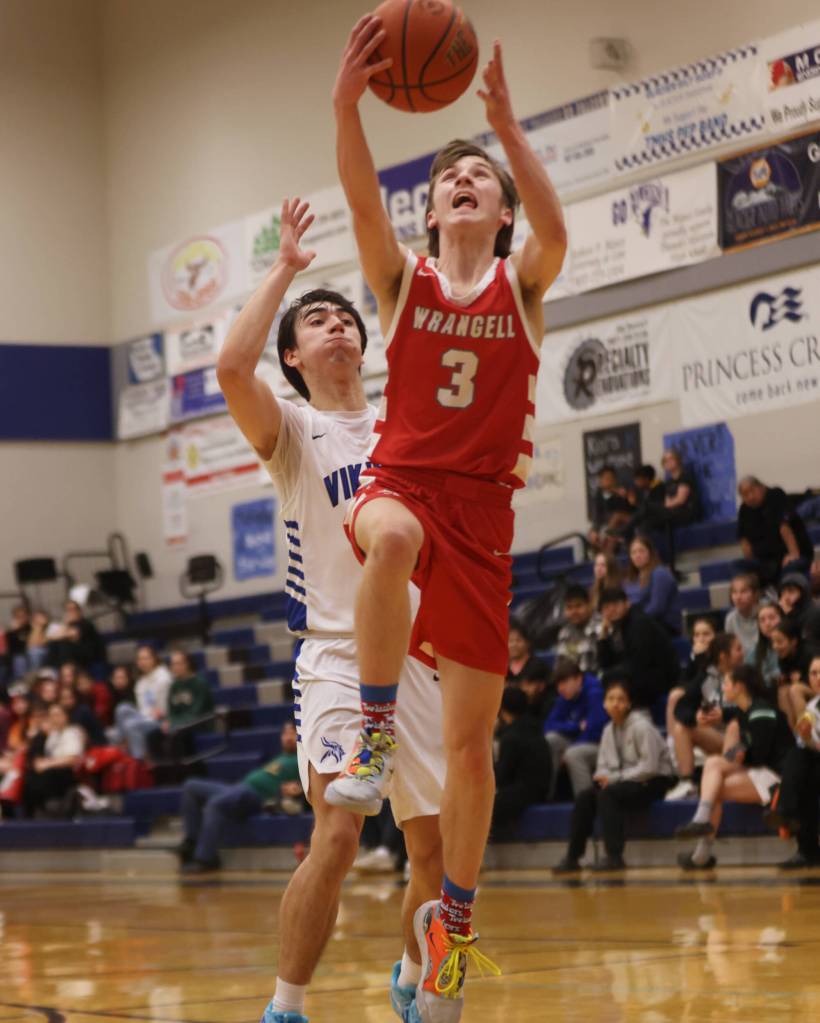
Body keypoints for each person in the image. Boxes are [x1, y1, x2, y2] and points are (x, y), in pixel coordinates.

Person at [325, 17, 567, 1018]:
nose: (459, 183)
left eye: (477, 181)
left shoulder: (522, 283)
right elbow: (355, 192)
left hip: (485, 524)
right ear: (427, 214)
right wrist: (346, 106)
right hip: (403, 486)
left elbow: (559, 233)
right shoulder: (399, 281)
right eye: (445, 181)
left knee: (471, 753)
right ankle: (375, 732)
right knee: (389, 535)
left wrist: (506, 127)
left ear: (500, 213)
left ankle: (453, 935)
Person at [216, 192, 445, 1023]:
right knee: (339, 834)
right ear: (296, 356)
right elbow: (231, 370)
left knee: (436, 850)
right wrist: (286, 268)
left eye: (345, 317)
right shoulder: (294, 433)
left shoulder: (406, 427)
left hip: (423, 657)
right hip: (340, 657)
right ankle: (287, 1005)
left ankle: (416, 983)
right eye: (317, 321)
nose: (337, 326)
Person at [675, 664, 794, 869]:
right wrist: (731, 752)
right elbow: (745, 743)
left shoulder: (761, 712)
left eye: (727, 684)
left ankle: (701, 837)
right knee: (713, 773)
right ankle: (701, 833)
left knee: (714, 784)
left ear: (739, 687)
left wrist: (736, 757)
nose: (723, 689)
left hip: (778, 778)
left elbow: (758, 755)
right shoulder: (745, 710)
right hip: (761, 771)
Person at [552, 678, 674, 873]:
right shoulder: (608, 730)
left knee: (607, 794)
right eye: (610, 698)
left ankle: (614, 856)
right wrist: (603, 777)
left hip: (653, 781)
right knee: (585, 796)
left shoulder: (642, 727)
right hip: (625, 781)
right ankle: (573, 857)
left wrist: (614, 779)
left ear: (629, 704)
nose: (615, 703)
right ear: (604, 703)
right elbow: (602, 766)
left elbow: (650, 767)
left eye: (620, 699)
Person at [178, 721, 303, 873]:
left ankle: (206, 858)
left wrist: (288, 792)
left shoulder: (301, 760)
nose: (288, 737)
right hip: (240, 789)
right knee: (190, 786)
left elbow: (300, 790)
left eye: (292, 733)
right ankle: (192, 842)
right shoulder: (280, 757)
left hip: (256, 796)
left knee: (215, 803)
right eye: (285, 733)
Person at [664, 633, 744, 801]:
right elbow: (681, 708)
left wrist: (724, 715)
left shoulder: (747, 675)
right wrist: (697, 716)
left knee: (733, 729)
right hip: (718, 740)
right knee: (682, 727)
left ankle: (728, 775)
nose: (742, 653)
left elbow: (754, 711)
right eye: (738, 649)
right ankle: (687, 782)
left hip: (744, 743)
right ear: (723, 656)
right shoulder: (706, 676)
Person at [765, 654, 820, 868]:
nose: (817, 678)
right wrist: (806, 738)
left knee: (800, 759)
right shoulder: (813, 706)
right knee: (799, 759)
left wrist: (809, 740)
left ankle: (786, 811)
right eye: (813, 673)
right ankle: (808, 850)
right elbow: (807, 743)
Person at [597, 587, 680, 710]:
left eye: (615, 604)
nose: (611, 610)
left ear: (627, 603)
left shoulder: (639, 623)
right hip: (639, 675)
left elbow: (639, 663)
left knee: (609, 680)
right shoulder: (615, 627)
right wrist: (603, 636)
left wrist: (608, 675)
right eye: (606, 607)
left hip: (661, 677)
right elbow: (605, 663)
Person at [491, 687, 552, 840]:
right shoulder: (535, 727)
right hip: (542, 789)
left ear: (502, 708)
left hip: (524, 791)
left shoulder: (510, 737)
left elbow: (502, 776)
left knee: (480, 805)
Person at [543, 658, 608, 799]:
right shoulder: (565, 696)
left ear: (578, 679)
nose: (560, 688)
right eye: (558, 684)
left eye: (565, 683)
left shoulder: (594, 692)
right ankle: (547, 796)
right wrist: (576, 726)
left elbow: (595, 731)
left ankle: (585, 803)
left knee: (573, 754)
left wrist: (571, 745)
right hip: (579, 739)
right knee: (551, 740)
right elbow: (549, 725)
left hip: (602, 744)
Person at [736, 476, 813, 585]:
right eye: (745, 495)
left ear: (761, 487)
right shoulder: (744, 510)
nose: (750, 497)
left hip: (788, 555)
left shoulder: (775, 495)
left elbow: (785, 527)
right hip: (765, 561)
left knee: (792, 567)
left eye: (752, 491)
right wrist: (751, 564)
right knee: (738, 567)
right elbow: (744, 541)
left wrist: (793, 554)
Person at [22, 702, 86, 817]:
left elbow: (72, 759)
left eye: (57, 715)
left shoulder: (72, 732)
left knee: (45, 777)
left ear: (65, 716)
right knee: (29, 777)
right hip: (53, 771)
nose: (54, 719)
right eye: (51, 716)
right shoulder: (53, 735)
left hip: (68, 773)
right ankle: (31, 816)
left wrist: (47, 764)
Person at [113, 645, 172, 759]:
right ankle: (121, 741)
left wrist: (157, 714)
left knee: (130, 725)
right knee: (122, 708)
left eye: (146, 658)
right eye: (140, 659)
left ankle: (138, 760)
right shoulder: (141, 682)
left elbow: (164, 708)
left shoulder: (163, 677)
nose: (142, 662)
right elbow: (142, 707)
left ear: (154, 659)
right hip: (146, 716)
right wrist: (146, 714)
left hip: (161, 720)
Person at [631, 448, 700, 536]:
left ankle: (625, 531)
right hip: (672, 512)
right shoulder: (668, 482)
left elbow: (680, 500)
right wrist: (665, 505)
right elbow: (667, 500)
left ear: (678, 460)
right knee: (646, 521)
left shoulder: (685, 477)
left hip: (686, 512)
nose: (668, 461)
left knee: (648, 508)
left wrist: (664, 506)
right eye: (665, 460)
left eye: (671, 458)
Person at [623, 535, 680, 634]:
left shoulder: (660, 573)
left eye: (641, 551)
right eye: (633, 552)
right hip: (640, 623)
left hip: (662, 626)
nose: (637, 555)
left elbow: (657, 607)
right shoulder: (629, 579)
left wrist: (634, 622)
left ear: (650, 553)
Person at [46, 599, 104, 669]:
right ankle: (50, 669)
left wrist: (65, 624)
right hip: (72, 654)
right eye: (68, 610)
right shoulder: (67, 624)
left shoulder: (85, 623)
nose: (72, 612)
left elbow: (73, 634)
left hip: (88, 654)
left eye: (74, 609)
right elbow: (51, 637)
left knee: (64, 643)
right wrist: (65, 624)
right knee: (54, 644)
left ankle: (64, 668)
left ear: (79, 610)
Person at [555, 584, 599, 674]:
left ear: (589, 605)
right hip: (572, 683)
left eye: (578, 606)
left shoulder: (601, 627)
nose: (574, 612)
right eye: (569, 607)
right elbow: (560, 667)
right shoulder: (564, 633)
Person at [587, 466, 631, 552]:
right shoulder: (599, 493)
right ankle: (601, 556)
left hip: (626, 522)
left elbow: (627, 508)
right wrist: (594, 530)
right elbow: (598, 515)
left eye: (610, 478)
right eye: (605, 478)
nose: (608, 480)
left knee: (613, 527)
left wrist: (617, 494)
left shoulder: (622, 490)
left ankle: (607, 556)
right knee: (591, 534)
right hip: (607, 525)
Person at [746, 601, 784, 691]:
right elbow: (749, 680)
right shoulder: (754, 653)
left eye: (772, 618)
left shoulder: (794, 645)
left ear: (783, 618)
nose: (767, 624)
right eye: (762, 620)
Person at [724, 573, 760, 658]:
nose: (738, 597)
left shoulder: (765, 614)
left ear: (755, 594)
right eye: (734, 592)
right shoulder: (730, 619)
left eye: (743, 591)